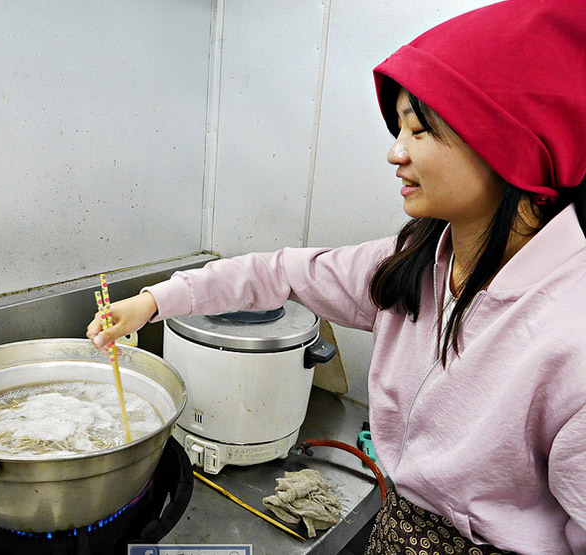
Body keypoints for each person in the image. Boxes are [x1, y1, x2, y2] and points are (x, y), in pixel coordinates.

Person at [87, 1, 586, 552]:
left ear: (510, 145)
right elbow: (278, 272)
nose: (395, 152)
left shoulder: (571, 333)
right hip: (396, 531)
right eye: (399, 128)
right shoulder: (418, 263)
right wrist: (153, 302)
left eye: (419, 131)